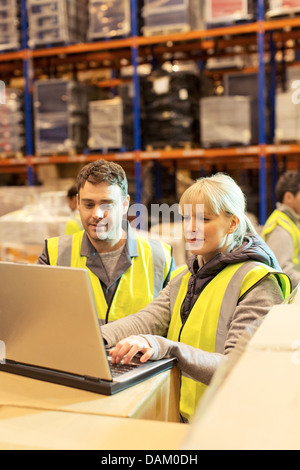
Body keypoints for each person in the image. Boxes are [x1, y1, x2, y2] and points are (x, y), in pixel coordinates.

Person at [102, 173, 291, 423]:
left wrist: (169, 348)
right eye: (187, 217)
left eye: (204, 218)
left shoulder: (258, 282)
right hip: (183, 419)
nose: (191, 227)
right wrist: (95, 338)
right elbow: (145, 320)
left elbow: (234, 367)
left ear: (232, 223)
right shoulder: (185, 276)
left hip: (226, 427)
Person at [38, 159, 176, 324]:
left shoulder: (160, 258)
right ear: (77, 203)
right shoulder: (53, 255)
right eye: (89, 205)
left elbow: (172, 327)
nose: (97, 214)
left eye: (107, 205)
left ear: (125, 205)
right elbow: (38, 321)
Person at [261, 171, 300, 289]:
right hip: (286, 299)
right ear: (288, 197)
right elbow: (282, 272)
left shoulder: (291, 221)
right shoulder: (280, 228)